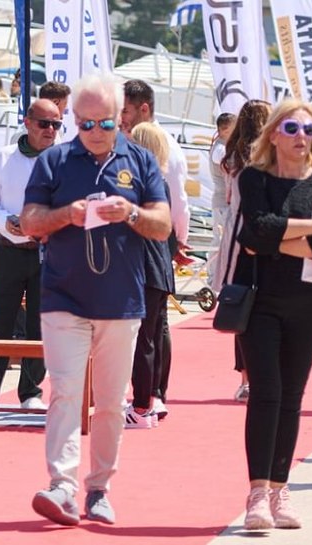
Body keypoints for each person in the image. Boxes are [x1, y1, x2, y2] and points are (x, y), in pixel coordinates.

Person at [20, 72, 171, 526]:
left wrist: (132, 213)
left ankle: (99, 486)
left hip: (122, 299)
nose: (95, 133)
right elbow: (28, 221)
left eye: (104, 124)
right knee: (65, 392)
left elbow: (163, 224)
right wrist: (67, 214)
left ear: (119, 118)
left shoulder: (140, 161)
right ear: (73, 122)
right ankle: (62, 485)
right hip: (63, 296)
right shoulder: (55, 162)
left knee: (109, 401)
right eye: (85, 125)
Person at [233, 98, 312, 530]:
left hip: (309, 304)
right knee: (265, 392)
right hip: (260, 301)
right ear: (273, 133)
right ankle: (256, 494)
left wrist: (276, 239)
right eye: (291, 129)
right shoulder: (254, 178)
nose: (301, 137)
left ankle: (279, 488)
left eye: (309, 130)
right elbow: (252, 231)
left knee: (291, 396)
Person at [0, 99, 62, 410]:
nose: (50, 130)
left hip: (48, 254)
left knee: (42, 324)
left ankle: (31, 392)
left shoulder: (64, 161)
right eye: (44, 123)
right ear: (27, 122)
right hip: (9, 250)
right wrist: (5, 221)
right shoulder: (2, 158)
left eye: (56, 124)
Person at [119, 79, 189, 413]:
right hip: (161, 246)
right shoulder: (164, 151)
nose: (122, 121)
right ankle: (156, 394)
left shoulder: (150, 166)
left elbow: (179, 204)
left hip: (152, 246)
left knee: (147, 330)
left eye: (126, 112)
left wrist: (180, 239)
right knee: (157, 328)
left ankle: (147, 399)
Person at [214, 100, 272, 403]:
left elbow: (228, 196)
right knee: (266, 307)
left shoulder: (233, 157)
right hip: (266, 234)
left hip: (237, 234)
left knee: (242, 307)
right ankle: (264, 375)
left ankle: (246, 378)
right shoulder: (271, 156)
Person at [124, 122, 175, 429]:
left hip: (144, 267)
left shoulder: (139, 180)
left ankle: (142, 405)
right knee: (154, 337)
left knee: (143, 339)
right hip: (159, 266)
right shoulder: (159, 180)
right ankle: (151, 400)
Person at [210, 112, 237, 242]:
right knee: (220, 244)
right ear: (225, 130)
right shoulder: (220, 150)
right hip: (223, 204)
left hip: (224, 204)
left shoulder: (222, 148)